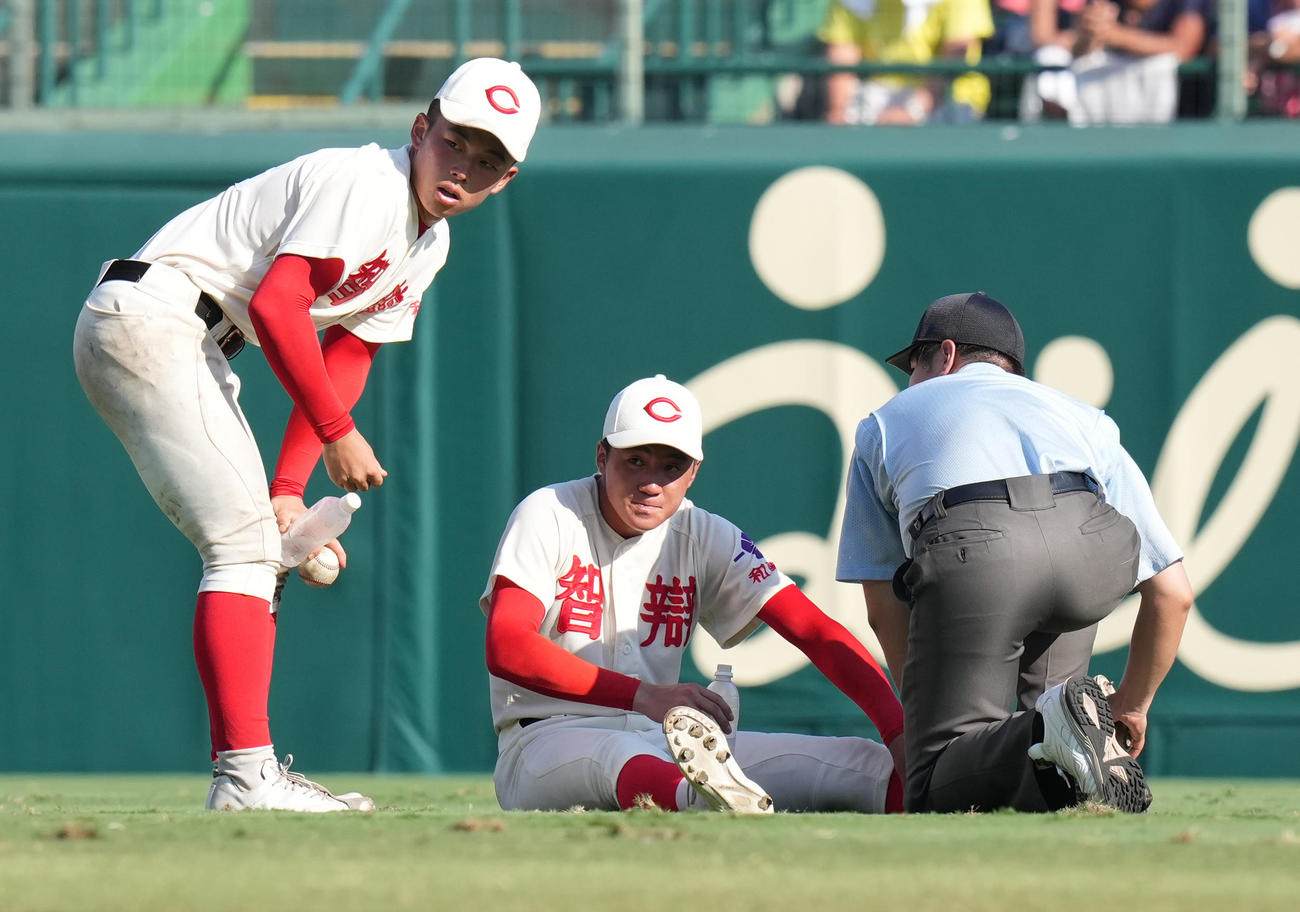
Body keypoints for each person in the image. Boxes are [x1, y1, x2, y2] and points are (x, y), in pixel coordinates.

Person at [72, 58, 541, 812]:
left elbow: (349, 351)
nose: (464, 169)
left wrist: (290, 490)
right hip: (156, 318)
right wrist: (335, 432)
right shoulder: (368, 185)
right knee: (244, 549)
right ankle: (247, 779)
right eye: (455, 143)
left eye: (488, 162)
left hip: (177, 336)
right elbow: (283, 307)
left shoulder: (430, 245)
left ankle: (244, 775)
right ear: (420, 129)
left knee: (256, 540)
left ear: (506, 180)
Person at [481, 375, 906, 814]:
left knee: (866, 765)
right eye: (636, 460)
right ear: (602, 456)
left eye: (671, 467)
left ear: (693, 473)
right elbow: (507, 645)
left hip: (668, 741)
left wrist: (898, 733)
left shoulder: (703, 533)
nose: (651, 483)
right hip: (544, 742)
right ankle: (708, 806)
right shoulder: (550, 513)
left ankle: (957, 802)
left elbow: (815, 631)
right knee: (624, 759)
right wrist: (642, 695)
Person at [836, 292, 1193, 814]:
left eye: (913, 365)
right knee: (1058, 766)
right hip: (1092, 546)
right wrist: (1131, 707)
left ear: (947, 354)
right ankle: (1074, 730)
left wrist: (923, 717)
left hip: (976, 544)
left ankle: (1059, 723)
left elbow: (882, 605)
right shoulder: (1083, 417)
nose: (909, 381)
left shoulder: (884, 422)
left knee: (935, 780)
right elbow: (1173, 592)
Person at [1023, 0, 1211, 122]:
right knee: (1051, 56)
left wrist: (1116, 35)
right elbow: (1079, 51)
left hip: (1181, 117)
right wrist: (1089, 33)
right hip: (1098, 126)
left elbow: (1184, 46)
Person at [818, 0, 995, 125]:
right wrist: (840, 113)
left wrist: (913, 110)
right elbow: (843, 54)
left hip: (949, 100)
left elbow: (955, 57)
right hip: (874, 95)